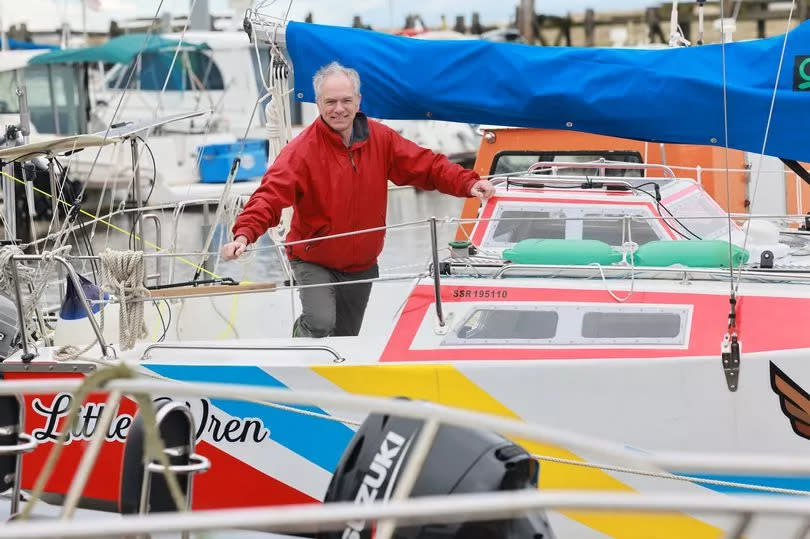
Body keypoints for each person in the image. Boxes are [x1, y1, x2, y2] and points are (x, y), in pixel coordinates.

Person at [221, 61, 494, 337]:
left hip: (362, 264)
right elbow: (270, 195)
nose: (338, 109)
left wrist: (469, 183)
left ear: (358, 100)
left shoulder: (382, 139)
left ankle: (324, 378)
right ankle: (299, 345)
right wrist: (244, 234)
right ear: (317, 103)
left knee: (346, 338)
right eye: (330, 102)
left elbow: (427, 166)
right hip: (315, 260)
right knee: (320, 323)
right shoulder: (301, 151)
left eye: (345, 101)